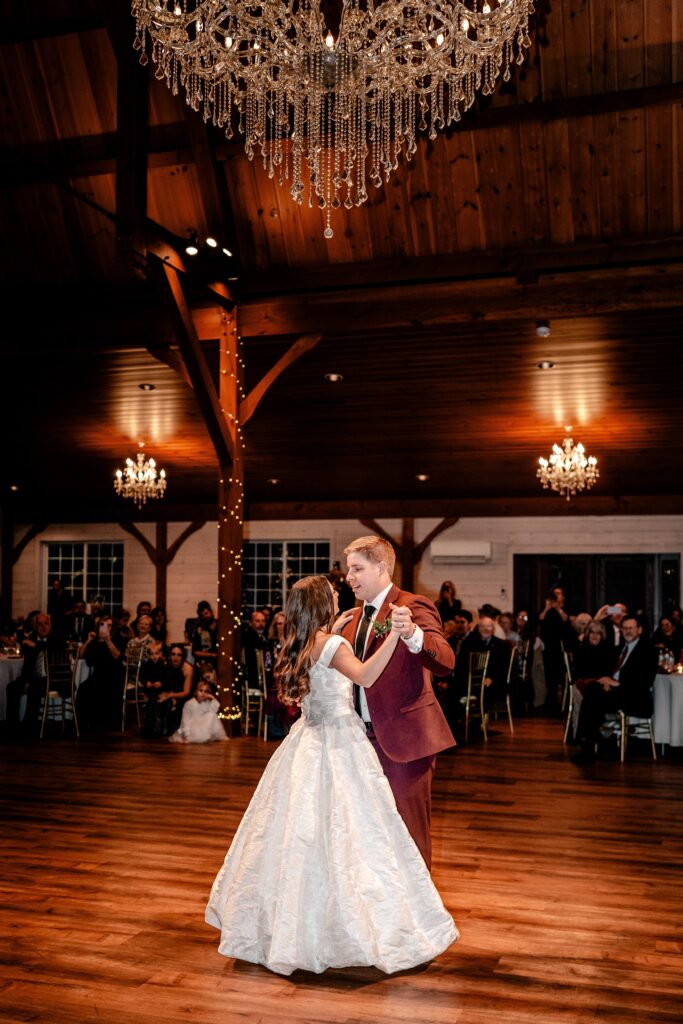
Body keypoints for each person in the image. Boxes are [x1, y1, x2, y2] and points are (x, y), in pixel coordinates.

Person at [205, 575, 457, 976]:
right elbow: (366, 676)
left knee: (302, 834)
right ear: (324, 604)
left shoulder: (302, 643)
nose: (342, 595)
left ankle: (293, 925)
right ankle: (355, 927)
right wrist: (393, 636)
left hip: (306, 740)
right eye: (334, 596)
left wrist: (335, 629)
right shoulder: (334, 645)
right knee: (356, 833)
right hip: (340, 742)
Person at [340, 535, 455, 868]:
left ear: (381, 568)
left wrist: (414, 636)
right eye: (349, 569)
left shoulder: (413, 606)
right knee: (368, 832)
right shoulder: (353, 618)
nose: (350, 578)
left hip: (404, 741)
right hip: (358, 743)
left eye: (357, 569)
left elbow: (446, 661)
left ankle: (420, 916)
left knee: (409, 834)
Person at [572, 616, 658, 764]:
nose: (627, 631)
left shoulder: (648, 650)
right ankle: (589, 740)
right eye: (624, 628)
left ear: (640, 630)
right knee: (592, 689)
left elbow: (644, 681)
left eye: (631, 628)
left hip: (633, 695)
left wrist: (616, 683)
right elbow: (608, 668)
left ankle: (587, 742)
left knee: (592, 695)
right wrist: (606, 679)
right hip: (615, 692)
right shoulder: (620, 649)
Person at [168, 679, 227, 743]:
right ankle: (200, 737)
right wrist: (186, 734)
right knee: (211, 715)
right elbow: (185, 720)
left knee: (212, 715)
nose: (203, 693)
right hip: (192, 729)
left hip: (202, 728)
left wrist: (213, 699)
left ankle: (209, 736)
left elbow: (214, 711)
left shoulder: (207, 703)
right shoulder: (189, 704)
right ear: (196, 692)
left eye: (206, 691)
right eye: (201, 691)